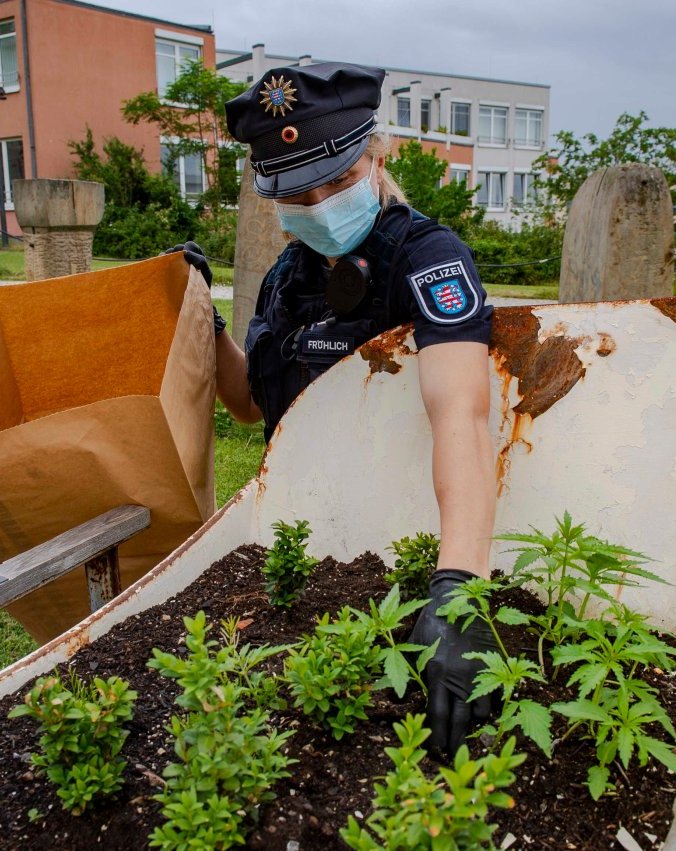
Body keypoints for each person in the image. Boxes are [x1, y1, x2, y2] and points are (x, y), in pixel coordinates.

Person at [176, 62, 498, 757]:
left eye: (339, 180)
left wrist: (459, 587)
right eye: (297, 191)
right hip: (299, 557)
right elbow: (246, 404)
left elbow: (462, 415)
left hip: (399, 562)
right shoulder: (285, 281)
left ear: (374, 157)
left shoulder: (429, 260)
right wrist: (203, 318)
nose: (320, 203)